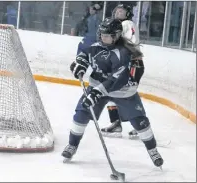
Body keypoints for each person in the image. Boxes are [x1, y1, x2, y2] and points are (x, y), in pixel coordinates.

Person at [62, 17, 163, 168]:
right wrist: (80, 63)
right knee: (81, 114)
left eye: (107, 36)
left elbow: (117, 79)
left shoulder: (123, 53)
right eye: (102, 34)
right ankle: (72, 145)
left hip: (123, 91)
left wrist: (96, 93)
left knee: (140, 123)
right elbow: (85, 53)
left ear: (116, 36)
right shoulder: (96, 43)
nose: (103, 38)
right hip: (98, 86)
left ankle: (152, 150)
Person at [101, 4, 144, 138]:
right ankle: (117, 123)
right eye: (117, 10)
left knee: (128, 95)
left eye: (122, 10)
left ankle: (140, 124)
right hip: (122, 64)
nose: (119, 12)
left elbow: (131, 43)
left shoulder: (128, 24)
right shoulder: (116, 25)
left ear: (128, 14)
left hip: (131, 64)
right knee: (112, 92)